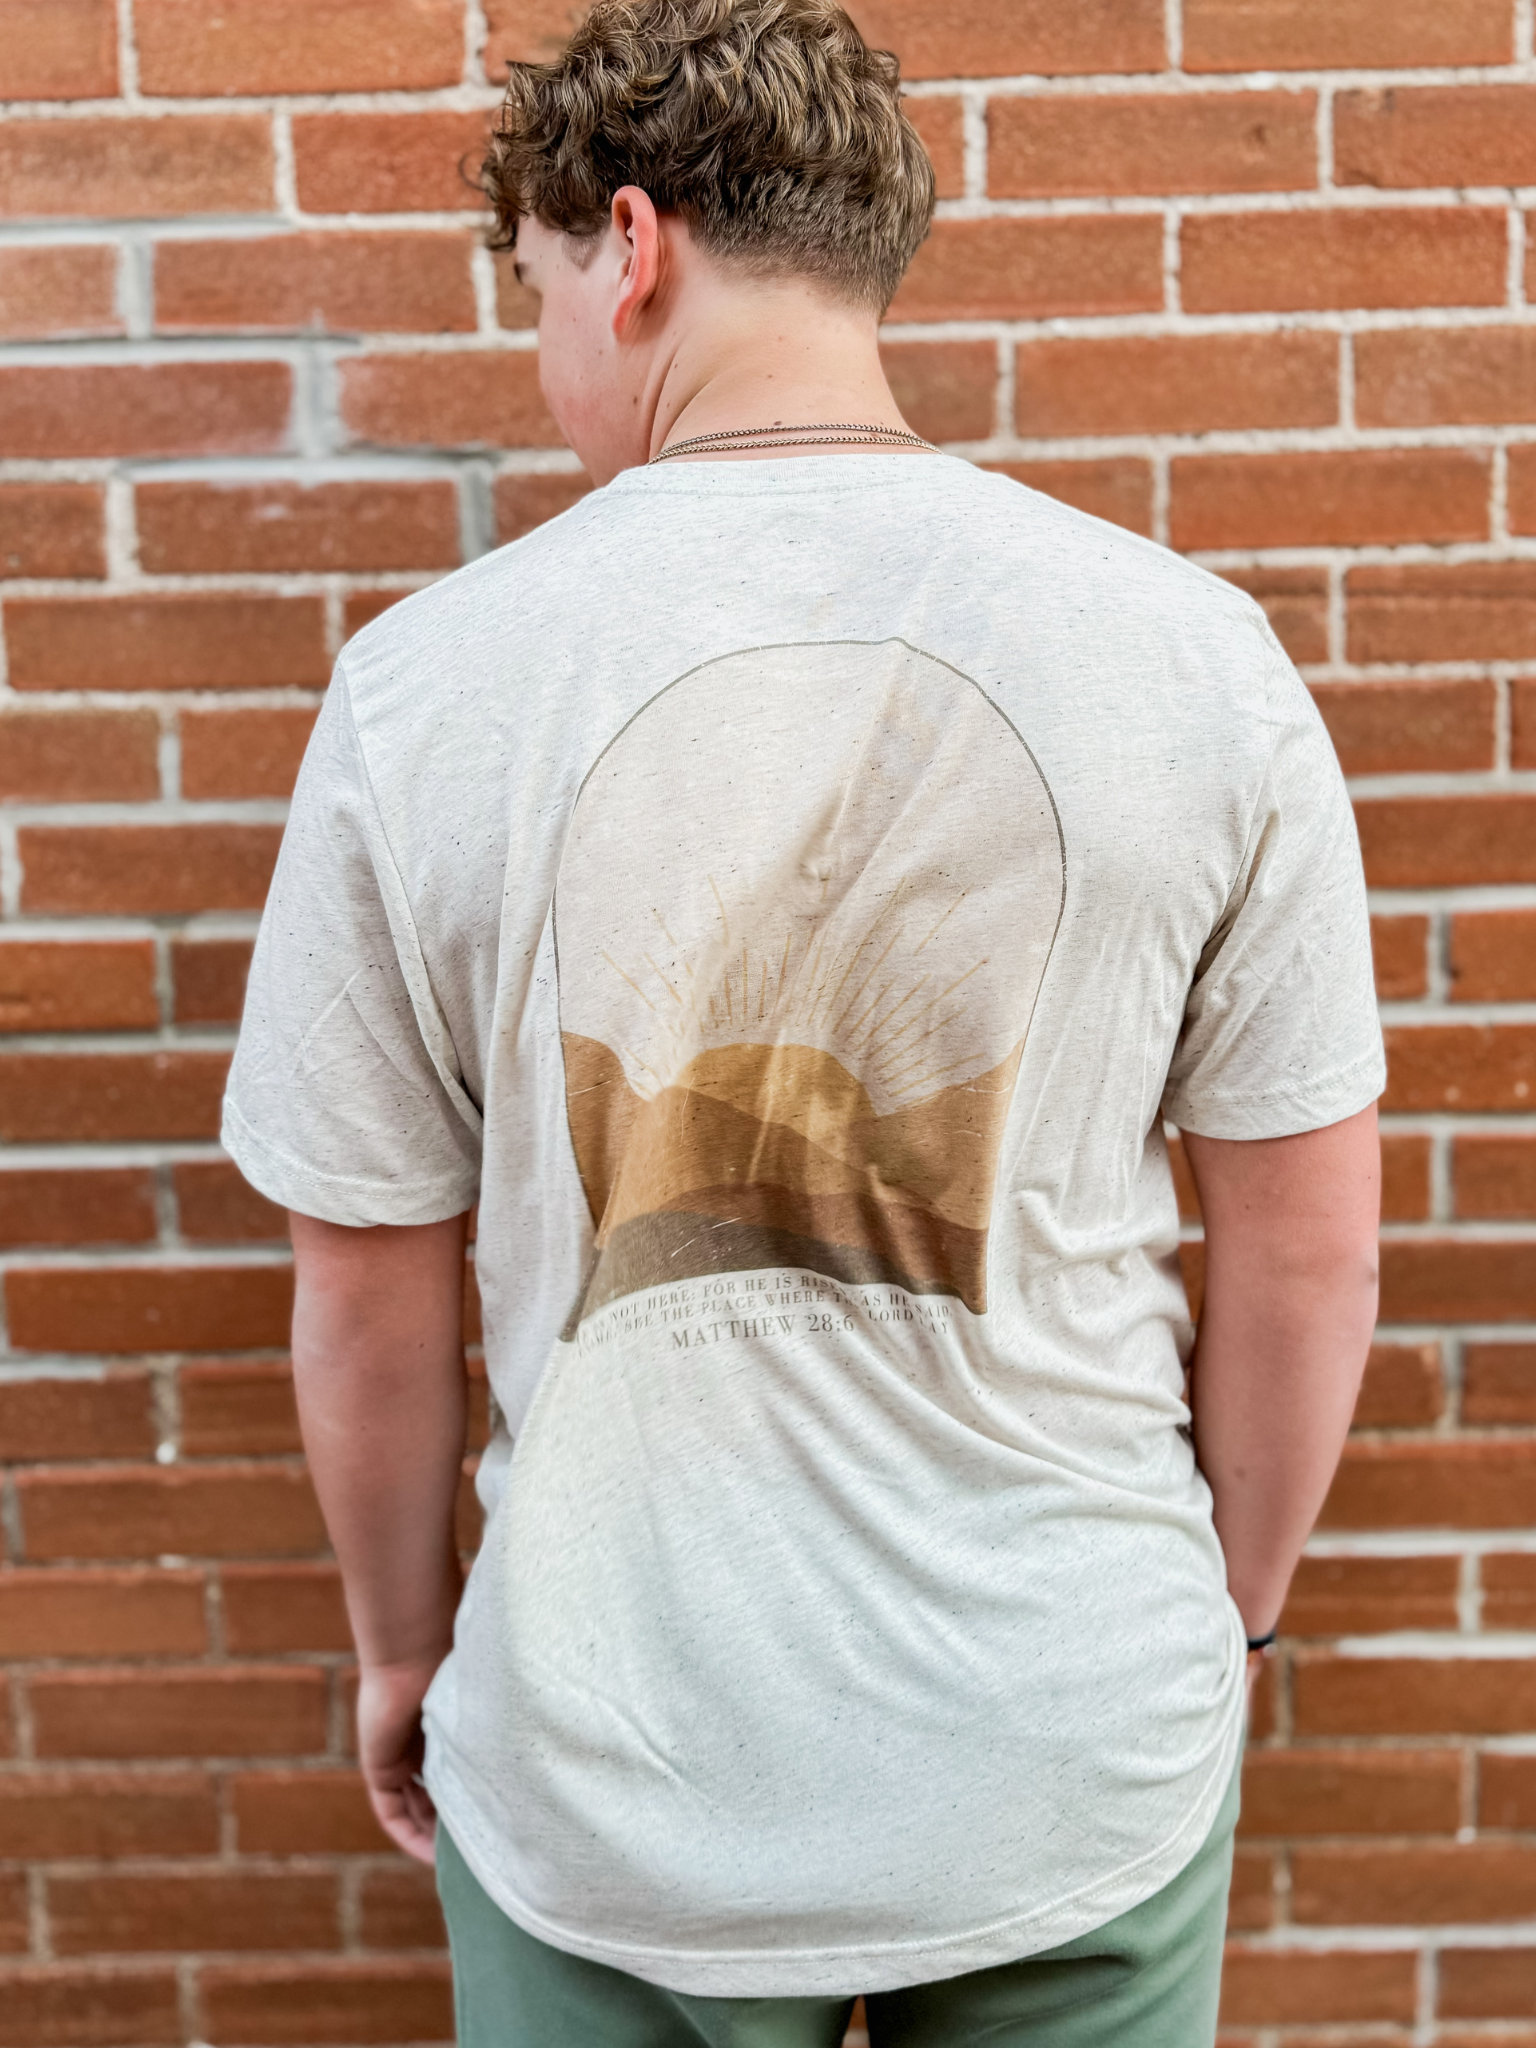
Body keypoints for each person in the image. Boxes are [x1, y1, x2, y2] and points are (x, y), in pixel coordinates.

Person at [222, 2, 1383, 2041]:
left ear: (630, 246)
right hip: (1070, 1732)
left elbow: (366, 1282)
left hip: (616, 1770)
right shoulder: (1195, 658)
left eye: (539, 292)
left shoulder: (422, 689)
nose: (552, 359)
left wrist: (404, 1648)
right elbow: (1307, 1243)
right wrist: (1235, 1614)